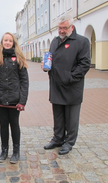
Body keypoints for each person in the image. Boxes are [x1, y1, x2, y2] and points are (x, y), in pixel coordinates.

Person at [41, 15, 91, 155]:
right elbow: (50, 59)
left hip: (72, 87)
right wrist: (46, 67)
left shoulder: (81, 41)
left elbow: (85, 64)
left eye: (65, 28)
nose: (62, 31)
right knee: (58, 116)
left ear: (72, 27)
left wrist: (70, 77)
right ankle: (57, 139)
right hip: (56, 86)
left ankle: (69, 142)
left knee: (71, 118)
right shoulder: (55, 42)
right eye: (60, 28)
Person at [0, 32, 29, 164]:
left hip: (14, 100)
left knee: (14, 125)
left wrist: (22, 101)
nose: (7, 43)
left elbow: (24, 81)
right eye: (5, 40)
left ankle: (16, 152)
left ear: (13, 43)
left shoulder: (19, 58)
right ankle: (4, 150)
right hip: (0, 101)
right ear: (2, 41)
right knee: (3, 126)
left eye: (10, 41)